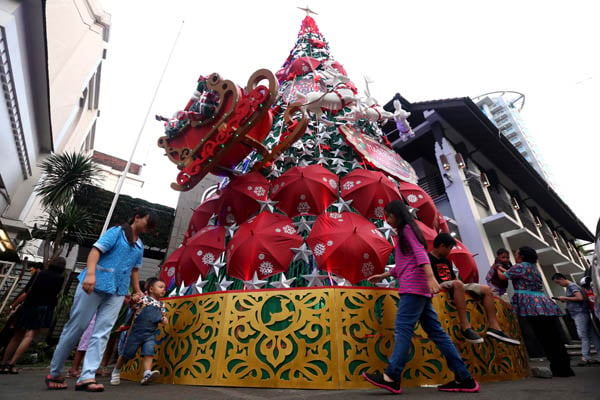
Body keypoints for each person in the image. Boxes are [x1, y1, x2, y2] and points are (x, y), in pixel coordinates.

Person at [362, 200, 479, 394]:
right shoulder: (406, 232)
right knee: (437, 334)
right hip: (418, 289)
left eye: (389, 216)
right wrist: (384, 275)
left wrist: (431, 278)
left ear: (397, 215)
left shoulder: (407, 229)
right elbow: (404, 264)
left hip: (414, 289)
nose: (387, 220)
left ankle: (392, 375)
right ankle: (464, 378)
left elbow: (421, 255)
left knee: (403, 330)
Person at [45, 208, 155, 392]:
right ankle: (55, 372)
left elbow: (134, 270)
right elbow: (96, 251)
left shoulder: (139, 245)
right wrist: (89, 274)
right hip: (93, 284)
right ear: (137, 217)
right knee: (76, 327)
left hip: (117, 291)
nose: (149, 228)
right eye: (148, 223)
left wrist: (137, 291)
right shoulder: (116, 232)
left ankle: (87, 376)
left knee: (103, 332)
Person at [429, 234, 519, 345]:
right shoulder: (428, 258)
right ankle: (465, 326)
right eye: (449, 248)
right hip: (437, 285)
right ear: (442, 246)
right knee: (458, 283)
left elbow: (453, 278)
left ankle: (494, 327)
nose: (450, 251)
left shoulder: (447, 261)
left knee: (486, 289)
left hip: (453, 284)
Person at [498, 246, 574, 377]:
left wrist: (498, 267)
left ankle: (557, 368)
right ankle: (564, 368)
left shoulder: (520, 266)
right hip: (544, 303)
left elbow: (503, 277)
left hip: (531, 304)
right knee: (554, 337)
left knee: (543, 337)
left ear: (521, 256)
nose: (514, 257)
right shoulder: (533, 268)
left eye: (516, 254)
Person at [0, 257, 66, 374]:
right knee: (29, 336)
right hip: (44, 308)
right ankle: (12, 364)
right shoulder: (60, 278)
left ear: (51, 263)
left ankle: (3, 363)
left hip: (29, 305)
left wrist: (13, 305)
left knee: (17, 335)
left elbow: (26, 292)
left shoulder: (39, 274)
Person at [110, 277, 167, 386]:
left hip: (150, 333)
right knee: (127, 354)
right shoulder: (144, 299)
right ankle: (116, 371)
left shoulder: (161, 305)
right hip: (136, 332)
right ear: (151, 289)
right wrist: (133, 300)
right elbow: (132, 305)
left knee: (149, 353)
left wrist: (164, 319)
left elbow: (164, 318)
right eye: (160, 287)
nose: (163, 290)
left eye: (164, 288)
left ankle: (147, 374)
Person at [551, 273, 600, 366]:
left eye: (558, 282)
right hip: (582, 312)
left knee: (583, 335)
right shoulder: (571, 286)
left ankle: (585, 357)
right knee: (593, 335)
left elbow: (579, 298)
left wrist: (565, 298)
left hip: (580, 313)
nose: (559, 284)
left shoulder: (571, 286)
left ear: (561, 279)